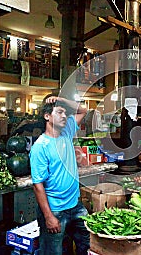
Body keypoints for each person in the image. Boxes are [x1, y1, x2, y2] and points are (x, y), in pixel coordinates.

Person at [30, 96, 89, 255]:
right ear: (47, 116)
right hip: (55, 210)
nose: (64, 116)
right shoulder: (40, 147)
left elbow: (84, 109)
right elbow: (38, 186)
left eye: (65, 113)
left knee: (87, 246)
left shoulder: (67, 131)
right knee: (53, 252)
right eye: (59, 112)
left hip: (75, 206)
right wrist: (49, 217)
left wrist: (61, 100)